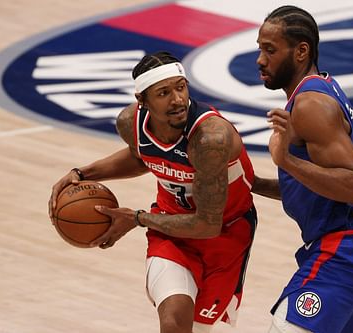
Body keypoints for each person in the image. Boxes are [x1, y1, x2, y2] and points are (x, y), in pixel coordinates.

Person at [48, 51, 258, 333]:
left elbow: (208, 224)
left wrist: (137, 219)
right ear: (142, 101)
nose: (177, 100)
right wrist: (82, 173)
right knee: (173, 323)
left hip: (224, 235)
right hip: (170, 231)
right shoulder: (130, 123)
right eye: (163, 93)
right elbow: (141, 157)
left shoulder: (210, 140)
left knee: (197, 329)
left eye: (180, 88)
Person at [251, 5, 353, 333]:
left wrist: (286, 161)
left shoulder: (310, 104)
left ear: (301, 51)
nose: (260, 59)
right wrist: (252, 183)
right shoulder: (318, 89)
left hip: (344, 251)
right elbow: (313, 185)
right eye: (260, 49)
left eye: (270, 50)